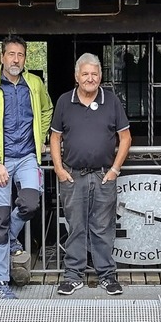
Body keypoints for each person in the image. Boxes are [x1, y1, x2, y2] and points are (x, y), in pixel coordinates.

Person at [0, 35, 53, 299]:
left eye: (20, 55)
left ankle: (8, 240)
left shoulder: (35, 83)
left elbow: (46, 110)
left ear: (25, 58)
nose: (15, 59)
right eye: (11, 54)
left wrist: (40, 138)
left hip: (28, 156)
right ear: (1, 57)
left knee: (30, 202)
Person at [50, 53, 131, 296]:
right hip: (73, 176)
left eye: (94, 74)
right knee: (75, 227)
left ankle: (107, 275)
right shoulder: (65, 101)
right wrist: (59, 169)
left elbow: (125, 138)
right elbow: (55, 138)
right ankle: (73, 275)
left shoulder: (112, 101)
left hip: (103, 175)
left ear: (101, 76)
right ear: (77, 77)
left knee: (103, 227)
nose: (90, 78)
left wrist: (115, 170)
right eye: (85, 74)